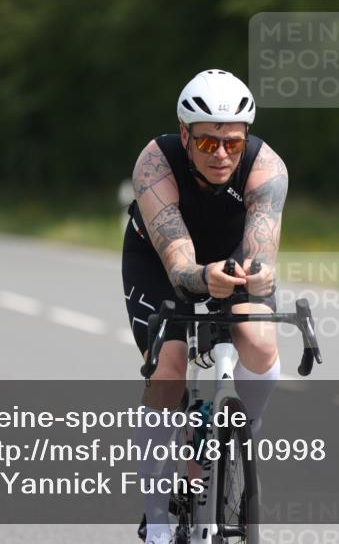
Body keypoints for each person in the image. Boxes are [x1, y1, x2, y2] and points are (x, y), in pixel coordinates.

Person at [122, 69, 287, 544]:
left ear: (246, 140)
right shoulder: (155, 164)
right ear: (184, 135)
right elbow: (179, 266)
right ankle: (156, 520)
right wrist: (201, 278)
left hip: (231, 258)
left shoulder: (267, 168)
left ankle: (227, 445)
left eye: (232, 144)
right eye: (208, 142)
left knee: (257, 342)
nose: (220, 155)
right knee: (170, 372)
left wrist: (261, 275)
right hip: (160, 261)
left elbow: (264, 253)